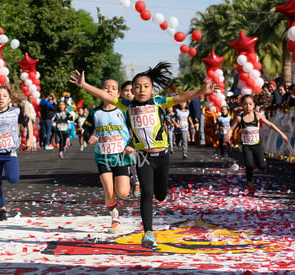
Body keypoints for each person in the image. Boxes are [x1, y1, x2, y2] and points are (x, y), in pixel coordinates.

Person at [70, 61, 215, 249]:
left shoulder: (158, 101)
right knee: (146, 193)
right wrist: (84, 86)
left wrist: (202, 91)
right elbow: (104, 95)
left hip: (161, 156)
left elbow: (181, 97)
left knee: (160, 195)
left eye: (145, 86)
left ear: (152, 88)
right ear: (132, 90)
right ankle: (148, 233)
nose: (141, 90)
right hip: (143, 157)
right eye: (137, 87)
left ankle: (160, 193)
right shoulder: (126, 106)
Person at [82, 78, 135, 234]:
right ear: (100, 91)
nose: (109, 91)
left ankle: (130, 180)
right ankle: (115, 217)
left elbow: (134, 131)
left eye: (113, 88)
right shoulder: (94, 113)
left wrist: (131, 145)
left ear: (118, 93)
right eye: (106, 88)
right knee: (108, 190)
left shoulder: (123, 111)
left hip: (121, 156)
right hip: (102, 156)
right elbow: (85, 129)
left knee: (123, 193)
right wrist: (88, 137)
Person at [0, 85, 33, 221]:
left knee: (13, 179)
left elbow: (28, 122)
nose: (1, 98)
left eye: (4, 96)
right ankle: (1, 208)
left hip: (10, 153)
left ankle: (9, 180)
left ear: (9, 99)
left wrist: (30, 138)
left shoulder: (16, 112)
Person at [224, 95, 288, 196]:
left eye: (250, 104)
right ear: (242, 105)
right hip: (246, 145)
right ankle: (250, 186)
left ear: (254, 105)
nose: (247, 106)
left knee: (262, 166)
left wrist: (282, 134)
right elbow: (232, 128)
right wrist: (228, 134)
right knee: (248, 165)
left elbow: (270, 124)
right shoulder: (240, 117)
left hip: (257, 145)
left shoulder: (257, 115)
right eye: (245, 104)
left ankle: (258, 166)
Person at [120, 80, 140, 197]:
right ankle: (125, 183)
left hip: (133, 138)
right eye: (125, 91)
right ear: (121, 93)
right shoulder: (117, 106)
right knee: (121, 162)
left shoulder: (136, 106)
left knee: (133, 162)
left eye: (130, 91)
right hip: (120, 138)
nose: (128, 93)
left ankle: (136, 182)